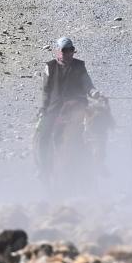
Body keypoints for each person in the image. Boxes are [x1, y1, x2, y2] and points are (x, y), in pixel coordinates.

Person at [34, 37, 97, 171]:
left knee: (92, 131)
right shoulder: (50, 67)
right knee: (44, 134)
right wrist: (44, 108)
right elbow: (46, 90)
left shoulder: (79, 66)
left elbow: (87, 83)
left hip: (76, 107)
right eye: (64, 50)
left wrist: (93, 92)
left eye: (70, 50)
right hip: (55, 108)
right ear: (57, 51)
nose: (67, 53)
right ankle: (44, 168)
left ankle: (94, 166)